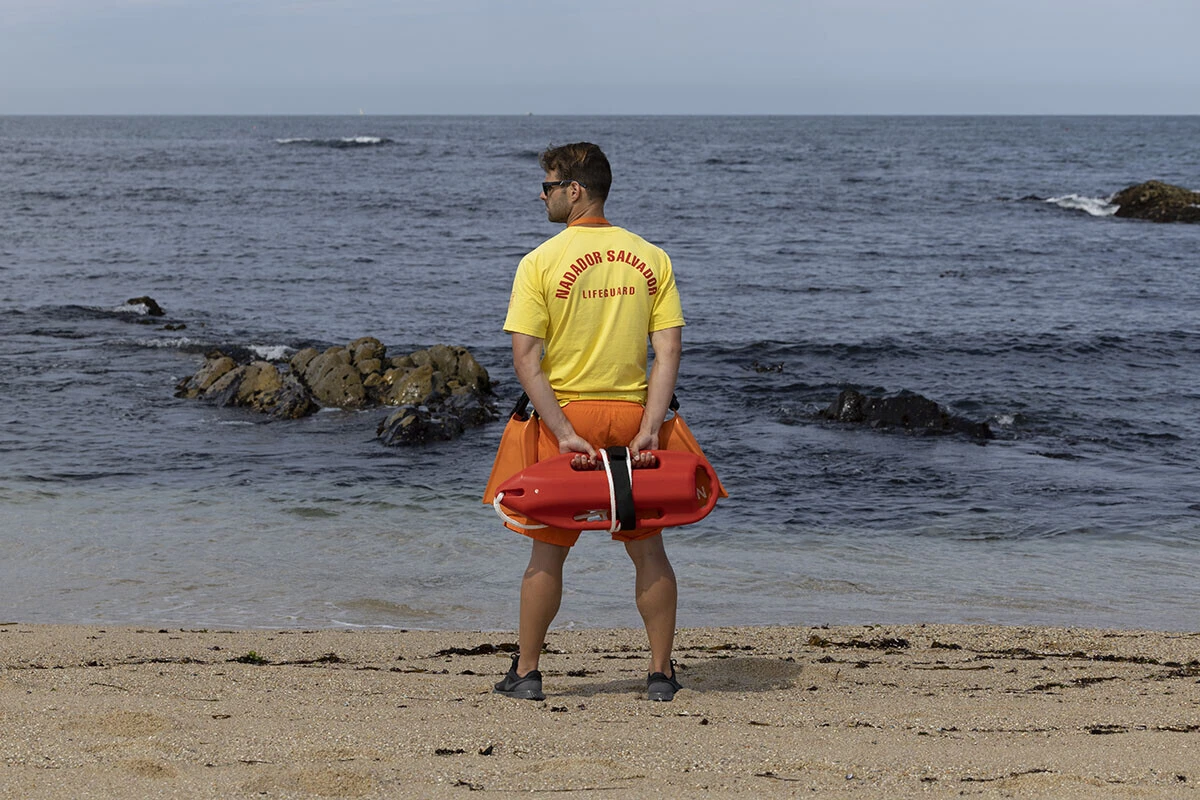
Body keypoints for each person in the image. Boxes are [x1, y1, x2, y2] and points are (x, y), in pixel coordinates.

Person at [484, 142, 702, 702]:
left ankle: (527, 674)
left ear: (574, 190)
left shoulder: (540, 262)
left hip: (568, 416)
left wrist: (560, 432)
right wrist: (652, 425)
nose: (543, 195)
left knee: (547, 550)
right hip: (632, 416)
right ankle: (659, 675)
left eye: (550, 185)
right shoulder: (652, 257)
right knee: (648, 548)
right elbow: (668, 353)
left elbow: (526, 360)